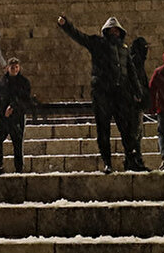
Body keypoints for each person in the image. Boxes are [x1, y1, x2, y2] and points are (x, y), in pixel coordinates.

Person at [57, 14, 146, 173]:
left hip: (120, 94)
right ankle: (107, 162)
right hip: (102, 94)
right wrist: (66, 25)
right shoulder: (98, 44)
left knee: (126, 129)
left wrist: (138, 92)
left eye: (116, 30)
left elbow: (131, 73)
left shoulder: (123, 49)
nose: (114, 32)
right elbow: (80, 37)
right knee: (103, 130)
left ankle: (131, 160)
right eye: (111, 30)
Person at [0, 57, 32, 174]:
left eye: (16, 67)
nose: (14, 69)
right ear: (8, 68)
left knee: (17, 143)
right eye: (12, 67)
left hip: (16, 116)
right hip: (2, 116)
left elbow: (25, 99)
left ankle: (19, 168)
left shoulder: (24, 82)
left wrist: (13, 106)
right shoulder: (3, 80)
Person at [129, 36, 151, 167]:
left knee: (137, 133)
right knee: (135, 133)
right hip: (135, 104)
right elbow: (135, 81)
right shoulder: (136, 62)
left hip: (137, 102)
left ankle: (135, 159)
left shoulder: (137, 61)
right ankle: (134, 160)